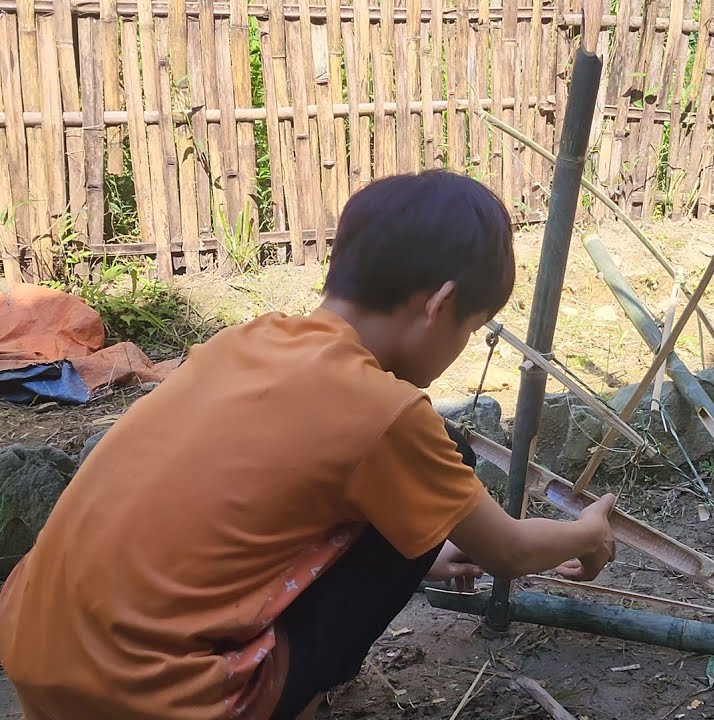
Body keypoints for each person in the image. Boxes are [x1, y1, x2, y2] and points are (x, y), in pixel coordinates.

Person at [0, 170, 617, 720]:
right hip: (151, 696)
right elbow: (509, 551)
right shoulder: (385, 412)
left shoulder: (243, 341)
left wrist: (427, 553)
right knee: (440, 456)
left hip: (36, 652)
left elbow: (233, 508)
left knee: (408, 495)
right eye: (472, 329)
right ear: (440, 304)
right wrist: (588, 535)